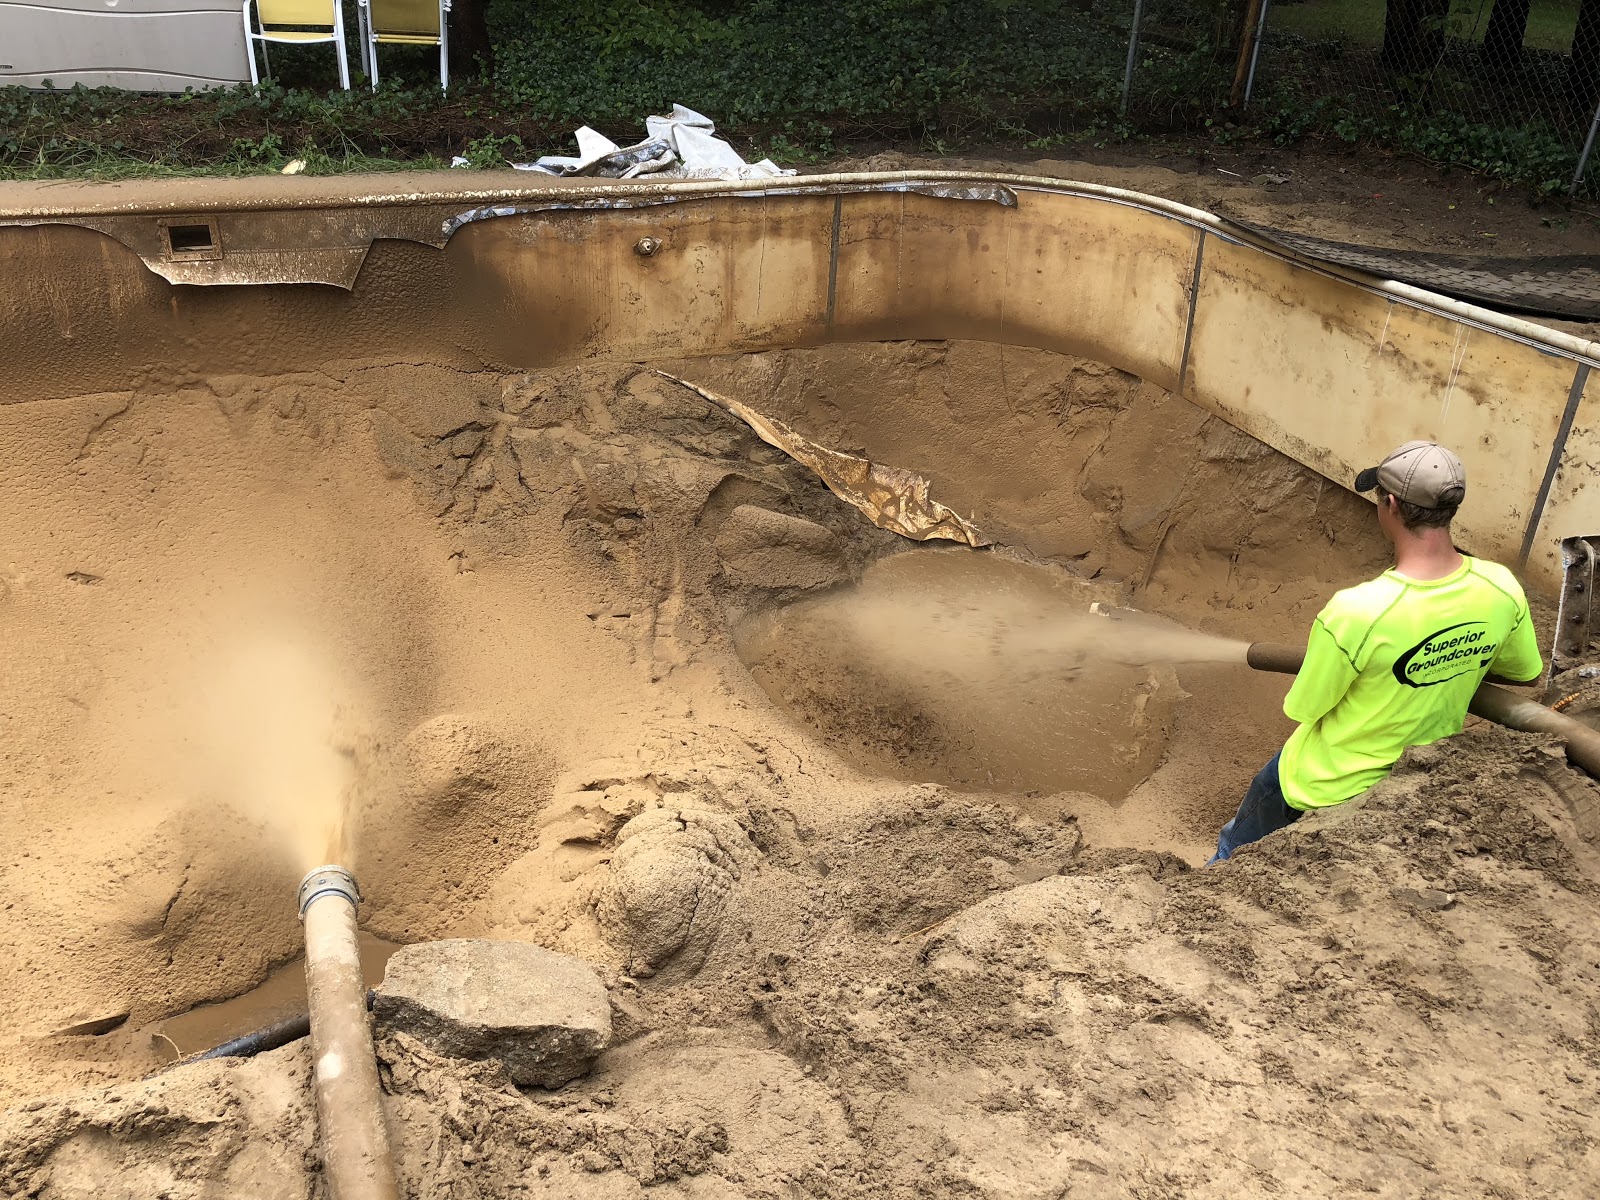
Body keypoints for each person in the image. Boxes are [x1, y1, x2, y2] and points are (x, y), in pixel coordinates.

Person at [1210, 440, 1543, 864]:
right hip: (1410, 780)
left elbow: (1307, 707)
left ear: (1389, 504)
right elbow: (1524, 673)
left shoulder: (1357, 610)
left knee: (1234, 852)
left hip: (1320, 783)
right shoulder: (1501, 588)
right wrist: (1454, 659)